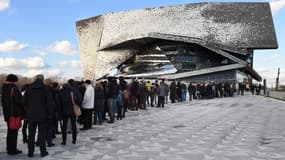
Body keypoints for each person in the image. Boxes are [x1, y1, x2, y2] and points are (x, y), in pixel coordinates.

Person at [23, 74, 53, 157]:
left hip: (31, 115)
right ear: (42, 80)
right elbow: (50, 103)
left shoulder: (28, 89)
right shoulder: (46, 89)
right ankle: (43, 152)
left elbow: (24, 102)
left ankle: (30, 152)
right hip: (43, 115)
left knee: (31, 135)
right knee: (42, 134)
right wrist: (50, 115)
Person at [1, 74, 24, 155]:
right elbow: (18, 100)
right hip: (14, 113)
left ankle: (9, 148)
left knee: (10, 131)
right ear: (14, 80)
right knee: (14, 132)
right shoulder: (13, 88)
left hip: (7, 113)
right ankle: (12, 150)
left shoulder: (4, 88)